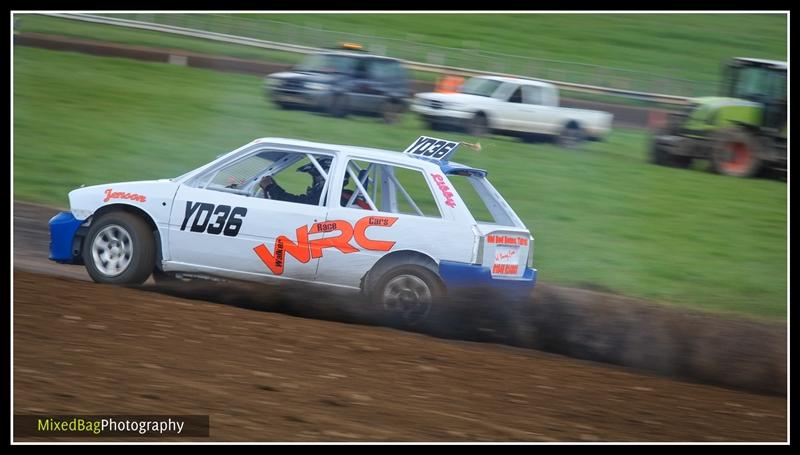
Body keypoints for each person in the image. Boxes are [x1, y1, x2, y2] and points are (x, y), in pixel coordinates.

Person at [259, 157, 370, 209]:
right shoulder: (346, 195)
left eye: (314, 178)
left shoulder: (326, 197)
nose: (313, 183)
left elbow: (295, 203)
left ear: (323, 177)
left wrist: (270, 187)